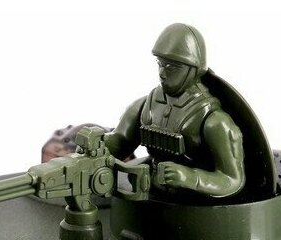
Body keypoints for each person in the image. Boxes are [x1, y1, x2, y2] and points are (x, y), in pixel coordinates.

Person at [104, 24, 245, 201]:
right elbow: (121, 141)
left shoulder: (214, 121)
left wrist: (190, 177)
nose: (162, 73)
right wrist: (99, 144)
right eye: (160, 64)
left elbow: (232, 180)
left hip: (196, 205)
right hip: (148, 196)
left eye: (171, 68)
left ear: (194, 69)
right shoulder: (146, 105)